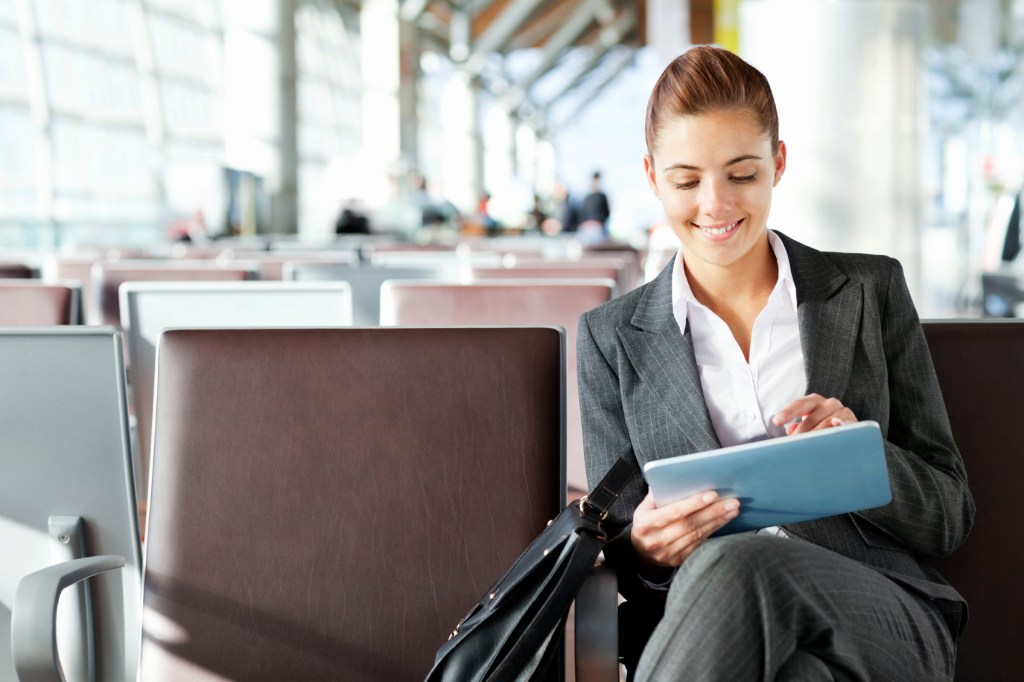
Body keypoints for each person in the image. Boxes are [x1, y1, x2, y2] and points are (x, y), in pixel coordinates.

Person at [576, 45, 973, 681]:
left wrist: (859, 453)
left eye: (741, 174)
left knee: (732, 562)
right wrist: (647, 552)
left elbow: (950, 516)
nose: (715, 205)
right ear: (652, 177)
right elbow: (621, 546)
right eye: (686, 181)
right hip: (715, 640)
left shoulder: (869, 291)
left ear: (777, 163)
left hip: (878, 614)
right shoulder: (609, 337)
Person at [579, 170, 611, 234]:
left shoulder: (601, 196)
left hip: (597, 227)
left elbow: (607, 213)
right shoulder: (588, 197)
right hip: (589, 228)